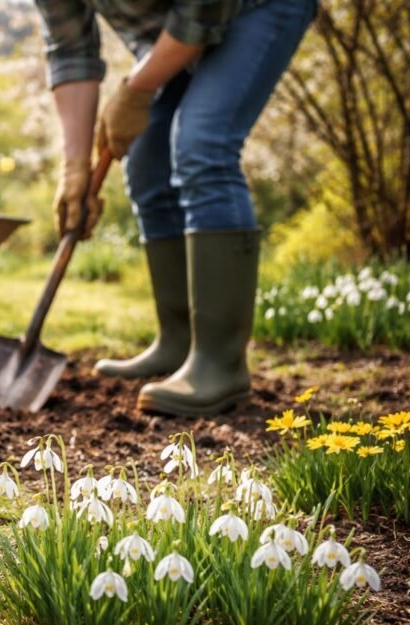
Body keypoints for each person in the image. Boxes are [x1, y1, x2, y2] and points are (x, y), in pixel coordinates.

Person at [35, 0, 316, 416]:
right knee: (148, 159)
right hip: (186, 27)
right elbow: (71, 51)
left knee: (203, 143)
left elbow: (203, 8)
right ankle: (178, 342)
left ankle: (219, 365)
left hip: (256, 8)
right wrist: (74, 166)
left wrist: (135, 89)